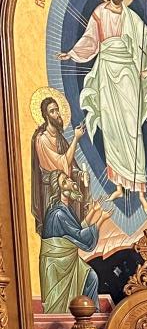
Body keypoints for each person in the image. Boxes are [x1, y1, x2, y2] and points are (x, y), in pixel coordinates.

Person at [59, 0, 147, 214]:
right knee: (112, 129)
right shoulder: (99, 13)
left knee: (132, 129)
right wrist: (72, 54)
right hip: (106, 72)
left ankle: (140, 190)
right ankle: (119, 186)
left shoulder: (131, 17)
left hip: (127, 74)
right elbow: (90, 40)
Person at [39, 173, 111, 313]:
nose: (70, 181)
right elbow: (80, 237)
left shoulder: (65, 208)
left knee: (91, 277)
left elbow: (76, 230)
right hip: (58, 265)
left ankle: (91, 314)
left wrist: (93, 211)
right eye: (65, 181)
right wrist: (101, 219)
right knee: (89, 279)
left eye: (68, 178)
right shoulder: (58, 214)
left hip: (68, 260)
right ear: (60, 189)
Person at [31, 96, 88, 233]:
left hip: (64, 190)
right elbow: (62, 164)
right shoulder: (42, 139)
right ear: (46, 115)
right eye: (52, 111)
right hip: (51, 193)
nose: (57, 114)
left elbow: (71, 166)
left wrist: (80, 174)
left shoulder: (59, 137)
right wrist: (76, 138)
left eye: (57, 110)